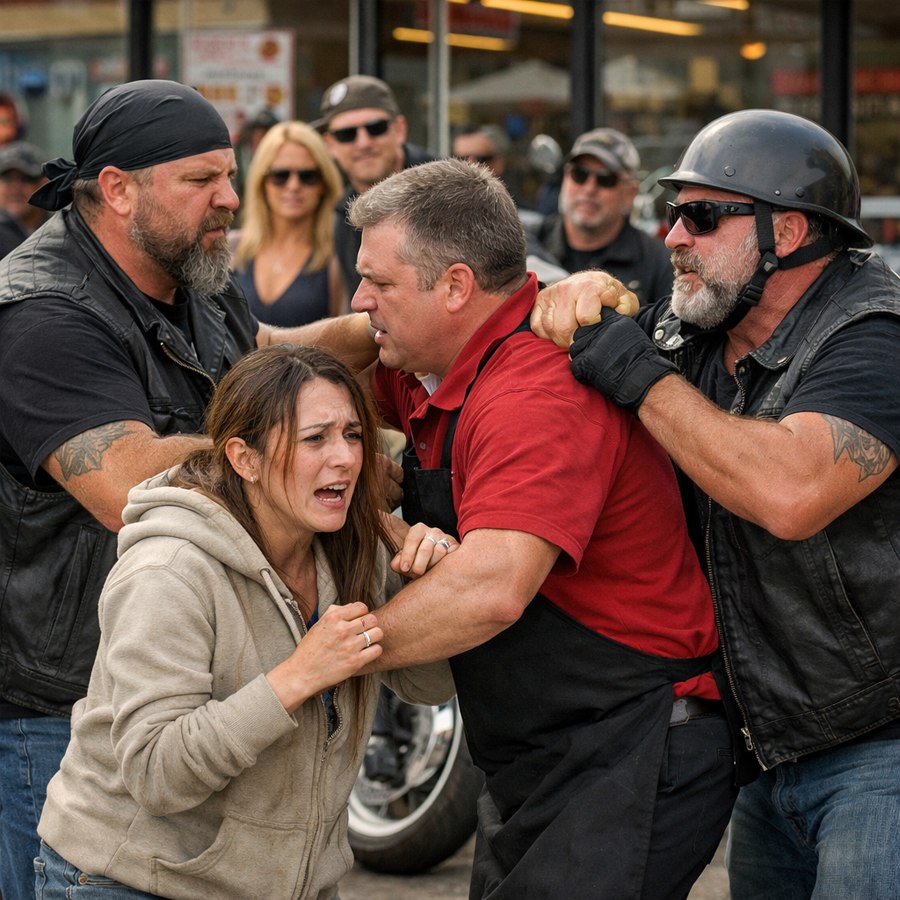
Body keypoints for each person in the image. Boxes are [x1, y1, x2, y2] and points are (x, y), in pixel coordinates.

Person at [0, 78, 378, 900]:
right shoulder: (41, 314)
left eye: (229, 174)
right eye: (203, 179)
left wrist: (407, 320)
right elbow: (128, 483)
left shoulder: (194, 282)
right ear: (117, 189)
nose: (231, 198)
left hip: (198, 681)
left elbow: (286, 355)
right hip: (57, 709)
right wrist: (312, 444)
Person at [347, 158, 736, 899]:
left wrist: (323, 663)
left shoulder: (537, 389)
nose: (361, 300)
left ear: (457, 286)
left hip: (632, 745)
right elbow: (303, 366)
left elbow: (492, 589)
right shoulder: (424, 363)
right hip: (538, 751)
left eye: (380, 284)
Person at [540, 109, 900, 900]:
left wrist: (639, 376)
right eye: (670, 214)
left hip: (880, 745)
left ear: (792, 232)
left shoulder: (875, 334)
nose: (671, 236)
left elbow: (791, 490)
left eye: (702, 216)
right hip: (765, 748)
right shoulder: (696, 327)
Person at [34, 344, 455, 900]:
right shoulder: (169, 570)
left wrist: (434, 585)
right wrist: (298, 675)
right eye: (315, 439)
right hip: (132, 881)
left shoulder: (351, 550)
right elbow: (157, 771)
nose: (346, 458)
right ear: (244, 458)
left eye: (353, 435)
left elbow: (429, 687)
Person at [316, 75, 437, 293]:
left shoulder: (450, 189)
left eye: (376, 127)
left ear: (400, 129)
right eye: (346, 134)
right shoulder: (343, 215)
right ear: (330, 145)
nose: (363, 143)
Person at [536, 127, 672, 305]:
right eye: (579, 174)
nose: (589, 189)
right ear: (565, 178)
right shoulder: (529, 244)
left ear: (630, 193)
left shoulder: (658, 264)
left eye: (606, 179)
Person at [232, 121, 348, 327]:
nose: (294, 186)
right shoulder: (232, 249)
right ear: (262, 182)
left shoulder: (337, 259)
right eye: (280, 176)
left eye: (308, 176)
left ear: (324, 184)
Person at [0, 140, 46, 258]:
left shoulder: (62, 229)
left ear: (44, 183)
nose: (16, 188)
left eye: (26, 178)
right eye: (8, 178)